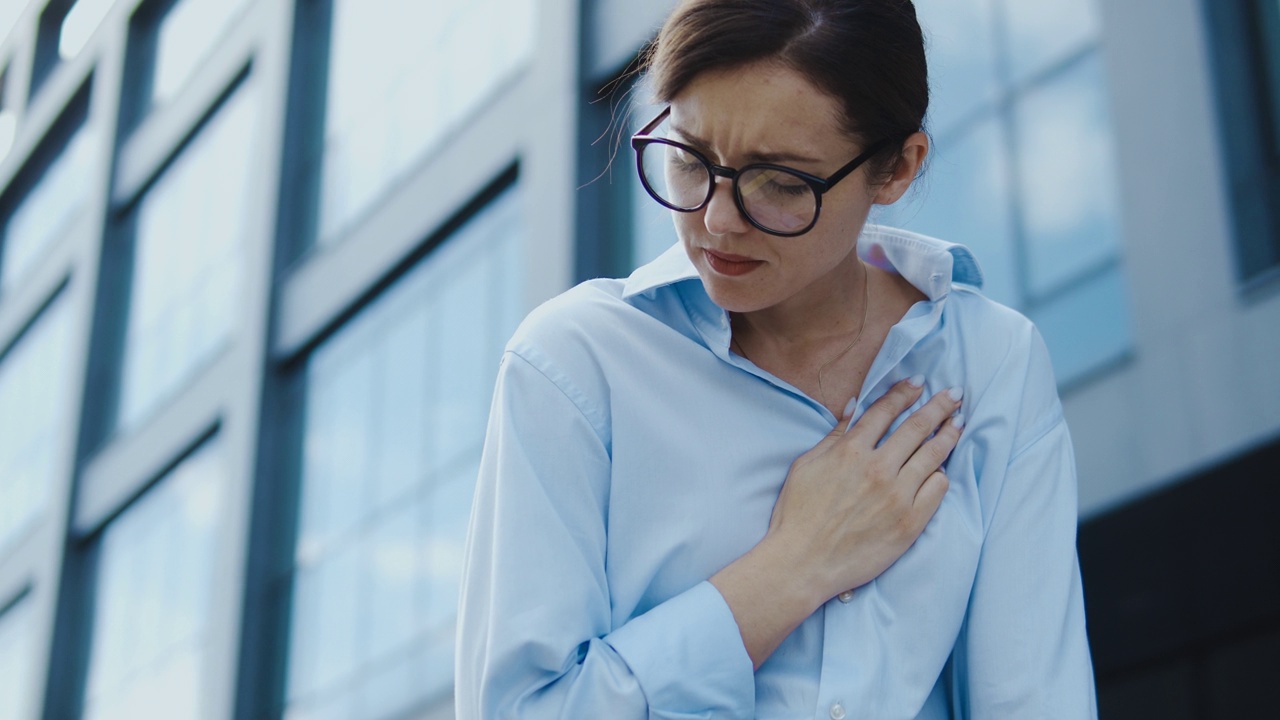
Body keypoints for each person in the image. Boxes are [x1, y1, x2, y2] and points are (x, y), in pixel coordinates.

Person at [456, 0, 1097, 717]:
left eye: (783, 183)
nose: (718, 221)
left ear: (897, 169)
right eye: (690, 159)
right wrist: (796, 564)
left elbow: (1035, 699)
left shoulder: (989, 361)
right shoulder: (574, 367)